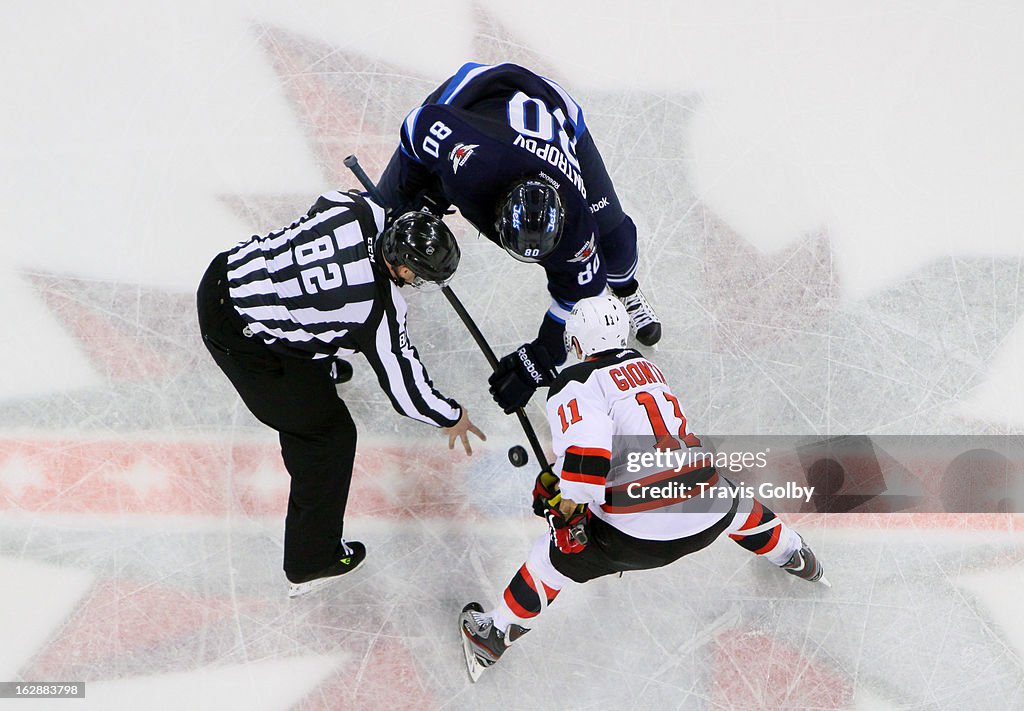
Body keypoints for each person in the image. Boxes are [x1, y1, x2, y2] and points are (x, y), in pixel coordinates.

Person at [458, 296, 828, 680]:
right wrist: (561, 476)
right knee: (737, 506)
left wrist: (562, 507)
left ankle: (494, 635)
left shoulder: (574, 382)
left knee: (550, 560)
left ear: (578, 341)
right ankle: (797, 556)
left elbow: (588, 465)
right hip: (706, 508)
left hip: (638, 532)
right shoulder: (648, 367)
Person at [197, 190, 485, 598]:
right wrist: (451, 415)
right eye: (417, 277)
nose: (416, 285)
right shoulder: (380, 312)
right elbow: (407, 394)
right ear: (402, 267)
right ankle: (311, 559)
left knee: (325, 322)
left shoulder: (359, 208)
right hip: (238, 338)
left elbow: (322, 207)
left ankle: (315, 361)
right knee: (329, 437)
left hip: (226, 272)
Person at [376, 62, 662, 416]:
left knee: (616, 243)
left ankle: (629, 290)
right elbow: (418, 125)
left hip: (555, 110)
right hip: (473, 98)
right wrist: (415, 202)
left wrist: (541, 356)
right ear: (497, 211)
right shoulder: (473, 166)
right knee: (380, 219)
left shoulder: (576, 228)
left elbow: (580, 295)